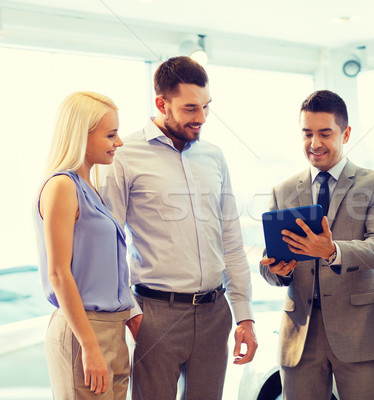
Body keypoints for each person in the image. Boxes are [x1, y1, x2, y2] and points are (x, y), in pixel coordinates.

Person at [98, 56, 257, 400]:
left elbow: (231, 238)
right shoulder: (124, 155)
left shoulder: (214, 156)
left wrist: (244, 316)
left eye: (206, 107)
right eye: (189, 109)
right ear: (161, 104)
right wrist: (133, 314)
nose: (201, 118)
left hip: (216, 314)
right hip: (155, 313)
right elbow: (110, 243)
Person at [260, 90, 374, 400]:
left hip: (359, 331)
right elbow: (270, 263)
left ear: (345, 133)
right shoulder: (282, 190)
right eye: (307, 133)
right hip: (300, 334)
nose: (314, 143)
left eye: (325, 133)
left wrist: (332, 251)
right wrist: (277, 270)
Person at [35, 91, 134, 399]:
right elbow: (59, 274)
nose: (119, 143)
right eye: (111, 135)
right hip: (84, 331)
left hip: (112, 330)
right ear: (81, 136)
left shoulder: (91, 187)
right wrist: (90, 347)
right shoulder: (62, 186)